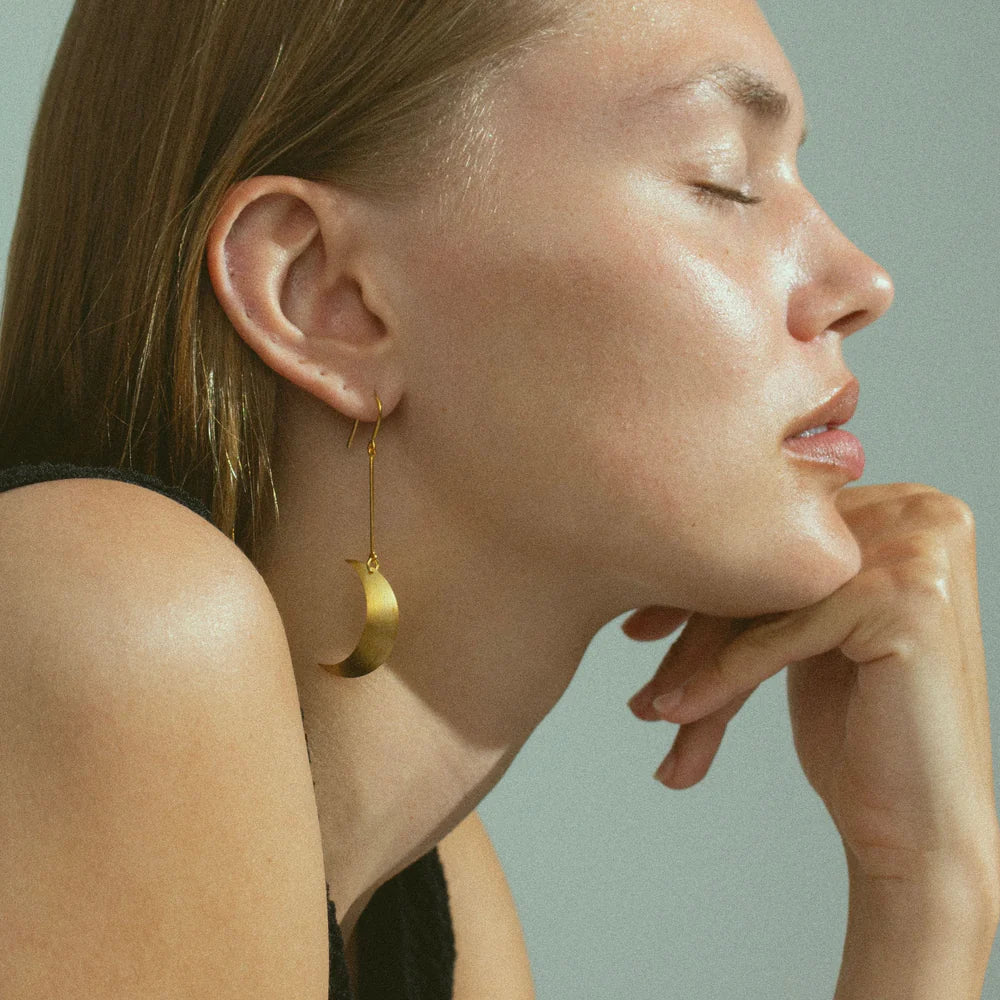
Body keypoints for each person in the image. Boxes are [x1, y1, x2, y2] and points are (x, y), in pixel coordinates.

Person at [0, 0, 996, 998]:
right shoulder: (111, 616)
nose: (863, 282)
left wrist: (925, 896)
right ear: (328, 294)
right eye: (722, 179)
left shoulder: (432, 892)